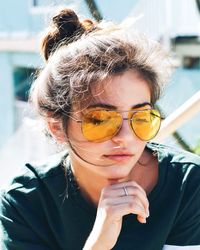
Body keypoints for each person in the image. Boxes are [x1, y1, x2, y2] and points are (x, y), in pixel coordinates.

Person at [1, 8, 200, 250]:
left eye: (140, 117)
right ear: (57, 127)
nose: (125, 137)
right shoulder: (27, 201)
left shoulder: (189, 185)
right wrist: (99, 241)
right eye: (100, 120)